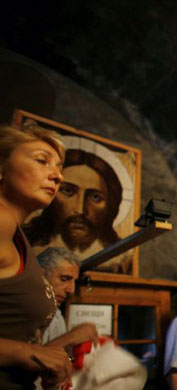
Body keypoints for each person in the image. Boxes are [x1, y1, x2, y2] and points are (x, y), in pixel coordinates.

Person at [0, 124, 71, 389]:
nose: (58, 176)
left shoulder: (18, 237)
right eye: (42, 160)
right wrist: (27, 354)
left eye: (60, 167)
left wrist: (47, 362)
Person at [24, 149, 123, 263]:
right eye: (67, 191)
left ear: (111, 206)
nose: (80, 210)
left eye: (95, 197)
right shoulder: (25, 245)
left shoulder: (119, 258)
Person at [36, 247, 99, 348]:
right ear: (40, 275)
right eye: (64, 279)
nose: (71, 290)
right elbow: (20, 360)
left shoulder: (57, 316)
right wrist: (70, 338)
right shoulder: (19, 310)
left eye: (74, 282)